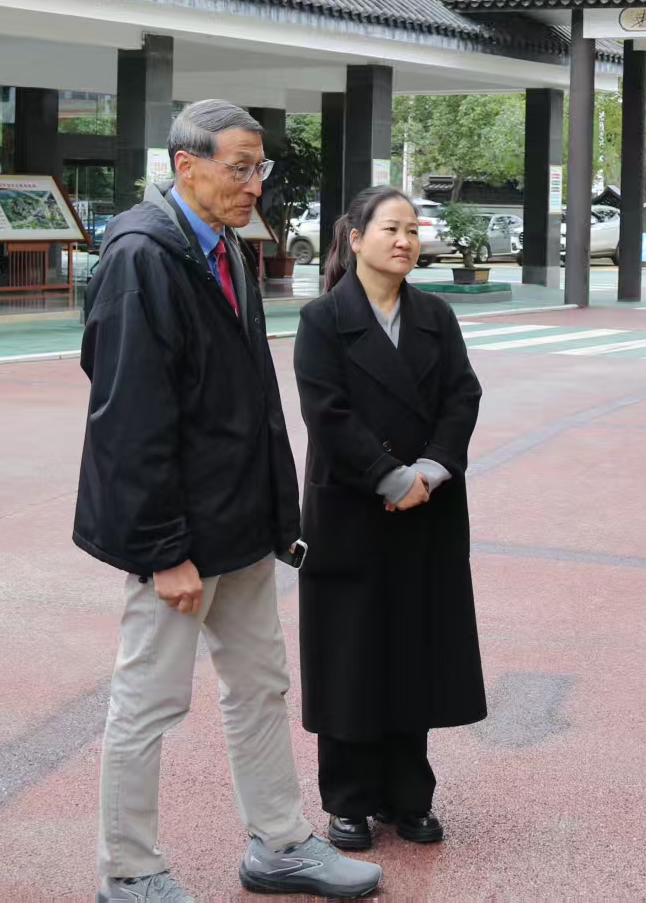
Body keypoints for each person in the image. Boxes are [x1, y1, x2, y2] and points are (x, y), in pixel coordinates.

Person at [74, 99, 382, 903]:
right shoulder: (142, 256)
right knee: (149, 701)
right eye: (239, 169)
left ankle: (280, 843)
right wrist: (161, 550)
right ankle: (128, 871)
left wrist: (277, 516)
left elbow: (251, 400)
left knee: (260, 685)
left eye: (259, 169)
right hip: (178, 536)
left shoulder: (226, 249)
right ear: (186, 166)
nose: (254, 185)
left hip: (240, 523)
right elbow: (129, 416)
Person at [292, 186, 485, 851]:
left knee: (413, 647)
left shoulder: (435, 315)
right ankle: (348, 799)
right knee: (350, 653)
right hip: (353, 507)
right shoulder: (323, 319)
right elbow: (326, 412)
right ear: (355, 239)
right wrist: (388, 475)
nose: (404, 241)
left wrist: (431, 469)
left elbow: (463, 395)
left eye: (412, 231)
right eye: (390, 229)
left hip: (426, 507)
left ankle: (409, 795)